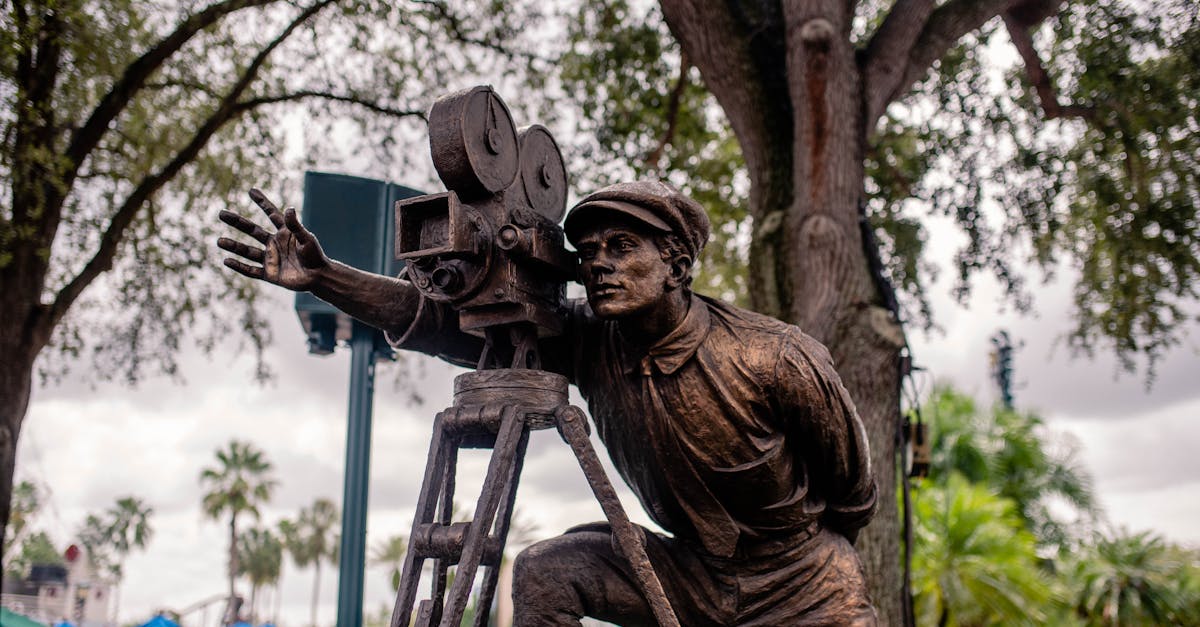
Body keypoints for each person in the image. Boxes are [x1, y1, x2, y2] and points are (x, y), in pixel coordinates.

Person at [218, 180, 878, 626]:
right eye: (588, 253)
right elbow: (447, 326)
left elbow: (854, 494)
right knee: (545, 571)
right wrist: (328, 277)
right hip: (693, 573)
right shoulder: (593, 343)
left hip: (805, 584)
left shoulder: (776, 357)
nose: (599, 265)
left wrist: (807, 570)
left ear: (677, 266)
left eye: (623, 248)